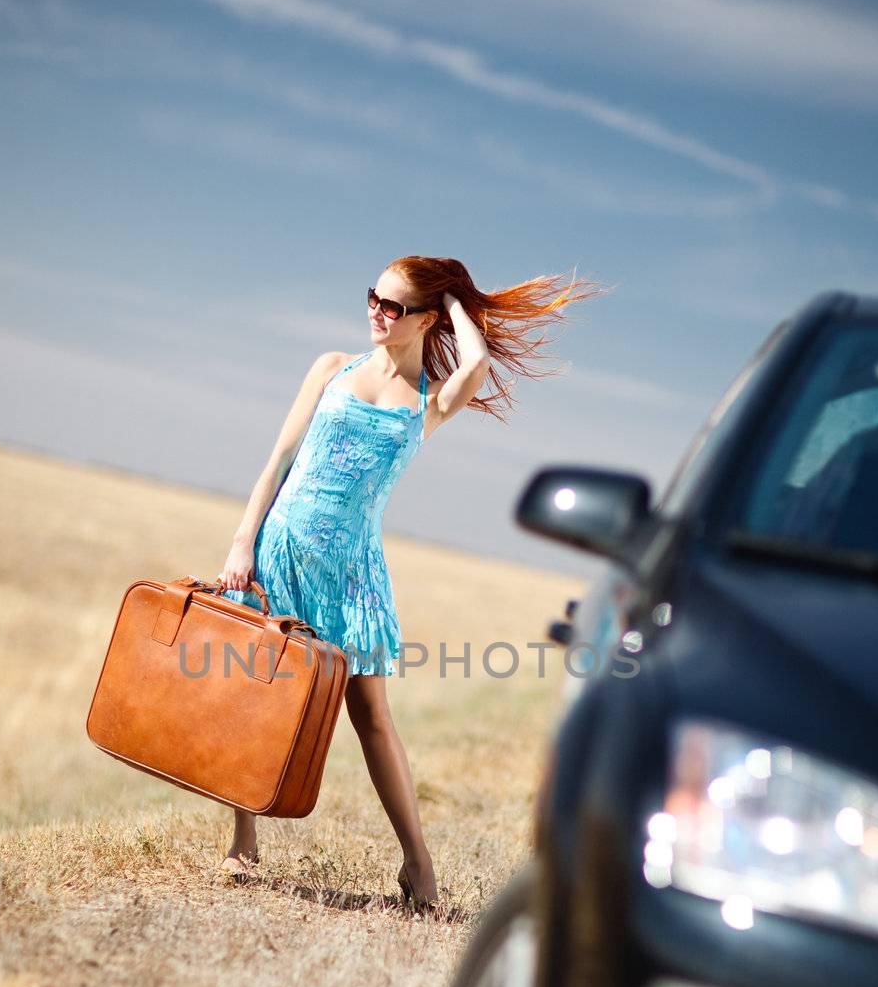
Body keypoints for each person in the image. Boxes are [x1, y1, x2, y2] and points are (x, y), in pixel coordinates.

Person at [216, 255, 603, 910]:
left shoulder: (430, 399)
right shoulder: (330, 366)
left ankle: (416, 865)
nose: (375, 310)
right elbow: (277, 459)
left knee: (371, 718)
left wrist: (453, 300)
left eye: (392, 305)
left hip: (353, 573)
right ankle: (242, 839)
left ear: (424, 318)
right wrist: (241, 542)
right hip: (282, 547)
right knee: (258, 697)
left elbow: (476, 363)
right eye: (373, 296)